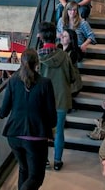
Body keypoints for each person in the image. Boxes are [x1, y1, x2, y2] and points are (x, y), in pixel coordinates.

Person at [0, 48, 56, 190]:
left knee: (23, 169)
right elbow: (52, 117)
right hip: (35, 136)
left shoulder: (13, 80)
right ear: (37, 63)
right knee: (36, 177)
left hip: (14, 135)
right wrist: (50, 127)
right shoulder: (45, 83)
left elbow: (5, 109)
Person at [37, 22, 78, 171]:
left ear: (41, 37)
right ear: (55, 36)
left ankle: (45, 160)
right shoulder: (65, 56)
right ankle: (57, 161)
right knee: (59, 131)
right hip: (61, 98)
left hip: (42, 100)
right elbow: (73, 77)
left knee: (42, 131)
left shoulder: (37, 57)